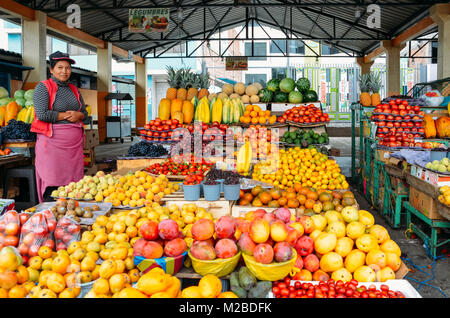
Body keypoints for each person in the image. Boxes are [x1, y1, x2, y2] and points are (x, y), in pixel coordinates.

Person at [32, 51, 88, 202]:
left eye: (68, 68)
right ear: (51, 69)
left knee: (73, 187)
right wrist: (68, 115)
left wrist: (79, 116)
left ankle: (70, 218)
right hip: (52, 146)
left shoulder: (74, 89)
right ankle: (51, 216)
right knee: (53, 183)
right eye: (60, 67)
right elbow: (42, 114)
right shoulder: (42, 88)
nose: (64, 71)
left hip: (73, 148)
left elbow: (85, 113)